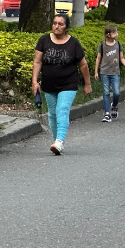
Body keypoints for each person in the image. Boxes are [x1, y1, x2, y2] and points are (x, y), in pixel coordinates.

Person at [32, 14, 92, 155]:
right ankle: (57, 141)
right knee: (52, 115)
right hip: (49, 84)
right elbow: (37, 61)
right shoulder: (44, 40)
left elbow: (83, 64)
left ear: (66, 27)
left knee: (62, 110)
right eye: (54, 23)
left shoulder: (74, 43)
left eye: (60, 24)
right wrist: (34, 81)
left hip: (68, 84)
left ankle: (59, 141)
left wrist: (87, 84)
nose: (56, 26)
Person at [94, 24, 125, 122]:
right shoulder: (102, 45)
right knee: (106, 93)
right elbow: (98, 58)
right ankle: (107, 113)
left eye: (117, 31)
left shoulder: (118, 45)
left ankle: (114, 105)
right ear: (108, 34)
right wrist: (96, 71)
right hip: (104, 72)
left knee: (116, 93)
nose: (117, 33)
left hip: (115, 72)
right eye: (114, 32)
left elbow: (121, 58)